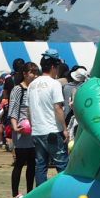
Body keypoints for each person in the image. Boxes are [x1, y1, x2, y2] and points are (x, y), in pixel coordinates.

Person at [27, 56, 68, 186]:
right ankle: (65, 194)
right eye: (57, 68)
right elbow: (58, 108)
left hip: (37, 131)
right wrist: (65, 128)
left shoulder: (31, 85)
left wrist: (33, 125)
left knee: (41, 166)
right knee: (62, 165)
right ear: (52, 67)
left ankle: (40, 196)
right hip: (52, 130)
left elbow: (29, 110)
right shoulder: (54, 83)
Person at [7, 63, 39, 198]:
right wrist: (14, 126)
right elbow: (13, 107)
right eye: (32, 72)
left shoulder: (34, 88)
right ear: (25, 73)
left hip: (34, 129)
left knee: (32, 163)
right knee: (20, 162)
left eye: (36, 72)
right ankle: (15, 194)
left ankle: (30, 192)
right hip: (21, 129)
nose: (35, 75)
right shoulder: (17, 89)